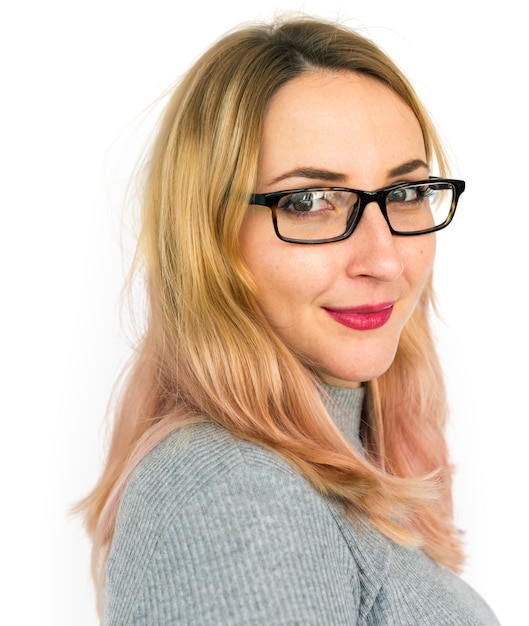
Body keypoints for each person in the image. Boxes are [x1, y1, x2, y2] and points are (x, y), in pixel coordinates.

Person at [80, 15, 500, 625]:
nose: (383, 258)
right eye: (309, 202)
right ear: (211, 240)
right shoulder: (230, 494)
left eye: (406, 193)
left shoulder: (316, 472)